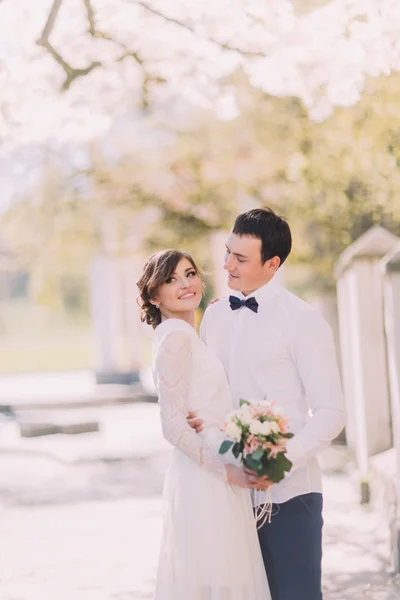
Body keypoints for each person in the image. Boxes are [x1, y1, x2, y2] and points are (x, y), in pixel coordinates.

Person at [190, 208, 345, 600]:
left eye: (240, 259)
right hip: (228, 496)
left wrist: (282, 460)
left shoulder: (304, 321)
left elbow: (331, 411)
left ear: (272, 264)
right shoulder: (213, 318)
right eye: (228, 253)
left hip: (291, 497)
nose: (227, 265)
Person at [136, 249, 270, 600]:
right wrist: (227, 472)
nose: (185, 284)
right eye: (170, 279)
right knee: (220, 581)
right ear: (153, 295)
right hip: (206, 475)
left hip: (211, 464)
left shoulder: (182, 334)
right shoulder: (177, 338)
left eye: (190, 273)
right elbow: (172, 425)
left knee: (220, 580)